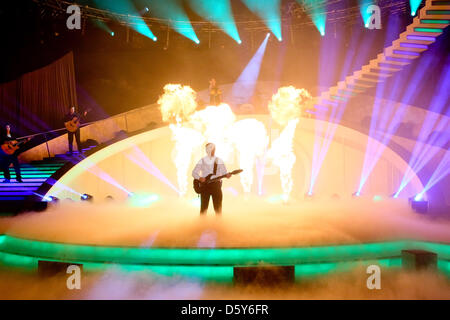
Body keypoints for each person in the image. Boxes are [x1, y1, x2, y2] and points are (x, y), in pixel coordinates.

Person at [192, 143, 231, 215]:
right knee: (203, 209)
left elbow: (224, 172)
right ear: (206, 150)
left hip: (216, 186)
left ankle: (219, 224)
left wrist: (227, 175)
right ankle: (201, 224)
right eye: (209, 148)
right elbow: (194, 173)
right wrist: (199, 178)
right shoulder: (202, 160)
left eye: (213, 148)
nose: (212, 150)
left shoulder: (219, 160)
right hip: (205, 186)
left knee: (218, 209)